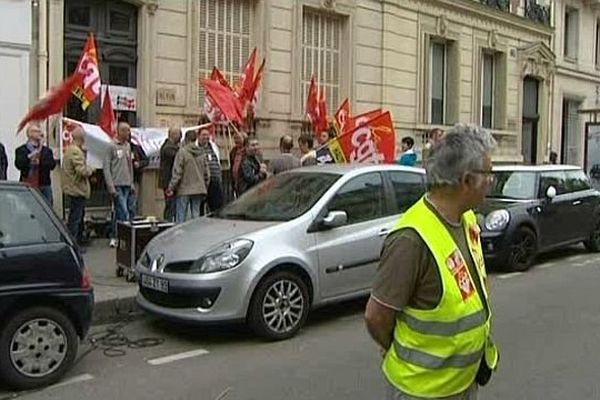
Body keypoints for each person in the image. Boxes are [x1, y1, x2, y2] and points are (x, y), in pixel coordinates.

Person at [365, 124, 499, 400]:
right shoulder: (410, 240)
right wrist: (399, 349)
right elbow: (377, 317)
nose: (491, 182)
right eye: (489, 174)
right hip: (422, 391)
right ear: (466, 180)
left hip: (463, 382)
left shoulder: (467, 218)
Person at [167, 130, 210, 224]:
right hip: (199, 188)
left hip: (184, 188)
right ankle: (195, 235)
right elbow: (207, 174)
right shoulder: (202, 153)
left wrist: (171, 187)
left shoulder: (182, 152)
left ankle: (181, 236)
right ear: (195, 139)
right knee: (196, 214)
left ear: (186, 139)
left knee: (181, 216)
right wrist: (205, 186)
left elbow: (177, 172)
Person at [103, 121, 135, 248]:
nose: (128, 133)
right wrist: (110, 186)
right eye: (126, 130)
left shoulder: (128, 146)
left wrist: (131, 182)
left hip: (127, 183)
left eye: (129, 130)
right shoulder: (111, 146)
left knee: (119, 213)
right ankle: (119, 237)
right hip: (116, 184)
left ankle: (116, 236)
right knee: (123, 211)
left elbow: (129, 165)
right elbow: (106, 167)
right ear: (120, 131)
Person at [62, 127, 95, 248]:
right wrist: (91, 169)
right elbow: (82, 171)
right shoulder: (75, 151)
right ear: (81, 138)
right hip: (76, 189)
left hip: (74, 188)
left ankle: (78, 241)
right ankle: (73, 244)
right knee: (75, 218)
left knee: (78, 216)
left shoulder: (70, 149)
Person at [15, 123, 57, 205]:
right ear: (29, 134)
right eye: (36, 131)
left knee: (47, 207)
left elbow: (52, 165)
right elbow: (19, 164)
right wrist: (29, 158)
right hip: (27, 183)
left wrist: (40, 161)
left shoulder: (46, 151)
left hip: (44, 184)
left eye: (39, 131)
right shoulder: (21, 150)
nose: (39, 133)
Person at [197, 122, 224, 214]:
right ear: (198, 136)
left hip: (215, 181)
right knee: (201, 207)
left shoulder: (213, 147)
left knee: (216, 206)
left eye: (207, 135)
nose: (206, 137)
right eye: (204, 135)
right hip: (203, 182)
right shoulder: (196, 148)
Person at [159, 127, 182, 221]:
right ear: (173, 135)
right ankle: (167, 224)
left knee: (174, 206)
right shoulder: (168, 148)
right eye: (179, 134)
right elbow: (179, 156)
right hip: (169, 182)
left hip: (173, 181)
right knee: (170, 206)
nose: (181, 137)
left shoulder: (175, 147)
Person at [229, 130, 246, 197]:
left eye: (238, 138)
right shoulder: (233, 152)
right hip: (236, 183)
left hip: (244, 183)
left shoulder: (248, 151)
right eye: (235, 138)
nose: (236, 141)